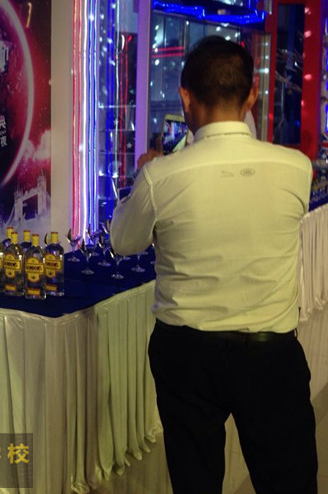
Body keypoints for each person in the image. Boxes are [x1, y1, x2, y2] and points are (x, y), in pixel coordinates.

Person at [110, 36, 317, 494]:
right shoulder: (295, 168)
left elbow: (122, 242)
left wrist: (143, 176)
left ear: (185, 97)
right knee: (289, 482)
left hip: (187, 355)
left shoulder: (160, 176)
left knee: (195, 481)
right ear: (252, 96)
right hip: (271, 353)